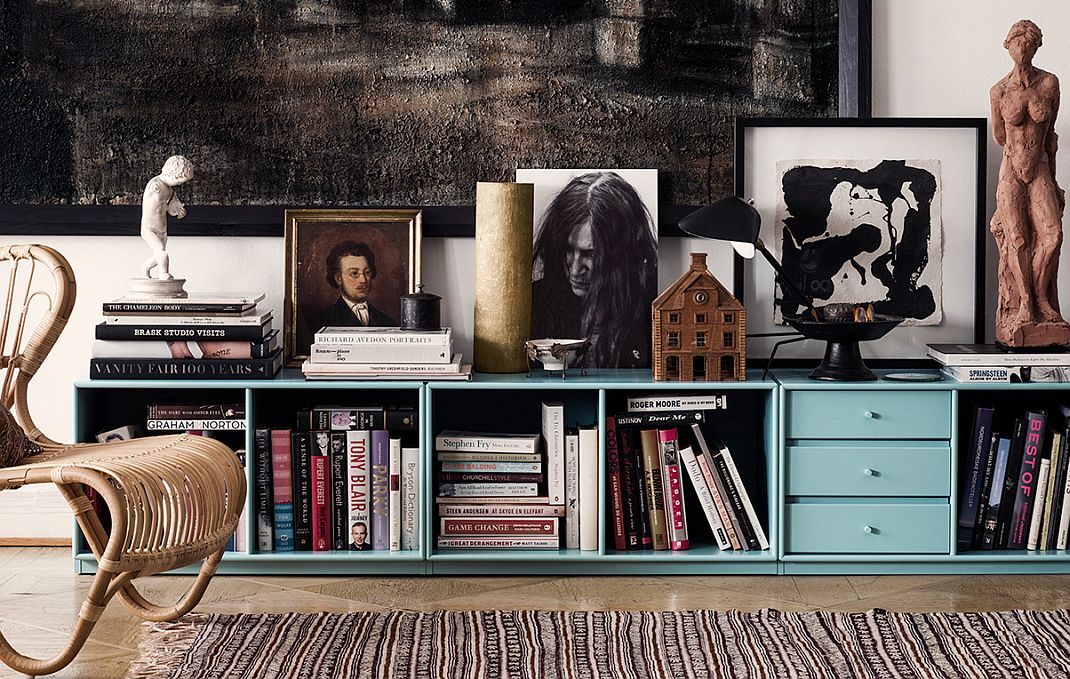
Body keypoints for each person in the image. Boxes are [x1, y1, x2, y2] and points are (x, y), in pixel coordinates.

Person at [990, 19, 1069, 345]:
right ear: (1007, 45)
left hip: (1040, 170)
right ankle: (1024, 304)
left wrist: (1056, 183)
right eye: (1018, 41)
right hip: (1011, 170)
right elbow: (999, 136)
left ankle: (1040, 298)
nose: (1023, 47)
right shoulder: (999, 91)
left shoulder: (1049, 83)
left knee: (1052, 236)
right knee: (1018, 239)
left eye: (1029, 42)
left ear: (1037, 47)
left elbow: (1050, 138)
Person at [531, 172, 657, 368]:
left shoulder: (652, 305)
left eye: (590, 254)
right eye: (568, 250)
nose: (575, 269)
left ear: (621, 254)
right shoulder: (537, 302)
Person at [306, 241, 397, 338]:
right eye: (354, 273)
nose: (363, 280)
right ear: (338, 278)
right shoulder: (320, 322)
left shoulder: (387, 321)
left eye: (367, 272)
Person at [140, 155, 194, 280]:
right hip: (149, 228)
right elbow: (153, 199)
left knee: (159, 254)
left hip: (162, 228)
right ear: (172, 173)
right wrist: (155, 193)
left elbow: (171, 208)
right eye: (179, 181)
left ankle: (145, 267)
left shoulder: (170, 191)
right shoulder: (154, 184)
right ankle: (164, 273)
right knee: (161, 251)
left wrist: (179, 211)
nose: (179, 184)